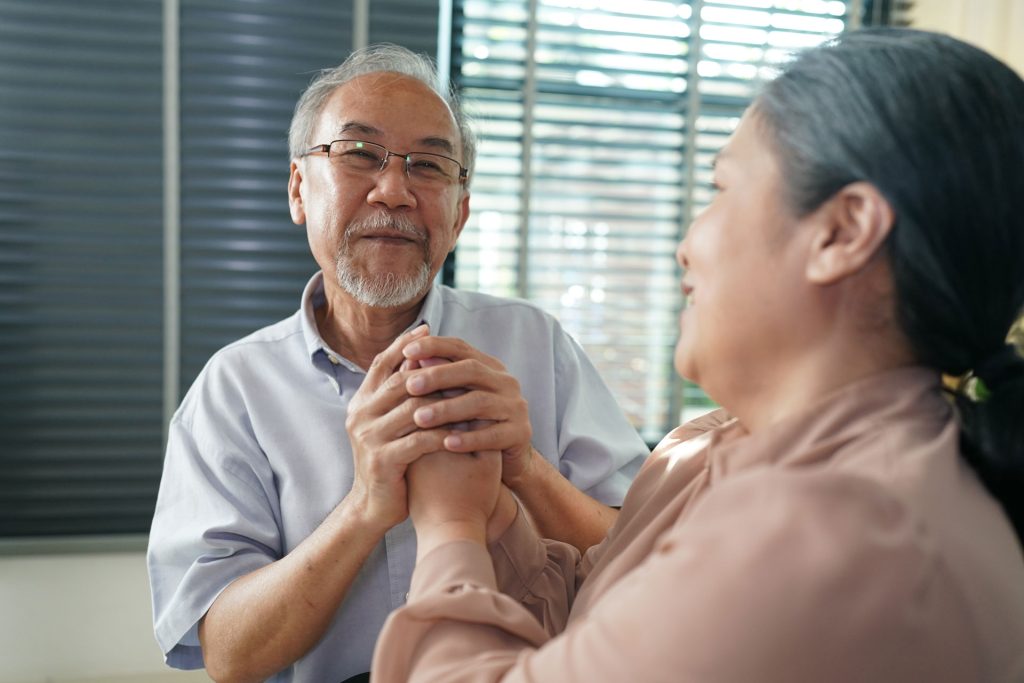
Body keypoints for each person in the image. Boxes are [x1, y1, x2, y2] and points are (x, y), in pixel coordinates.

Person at [371, 28, 1024, 682]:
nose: (687, 244)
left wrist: (449, 525)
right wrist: (493, 504)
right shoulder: (706, 450)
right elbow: (603, 615)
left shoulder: (834, 531)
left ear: (843, 232)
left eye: (721, 188)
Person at [146, 45, 648, 683]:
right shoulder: (233, 389)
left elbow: (648, 562)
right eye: (360, 155)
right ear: (300, 189)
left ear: (459, 213)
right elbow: (229, 654)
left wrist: (527, 470)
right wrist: (365, 506)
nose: (395, 190)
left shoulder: (535, 344)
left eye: (430, 166)